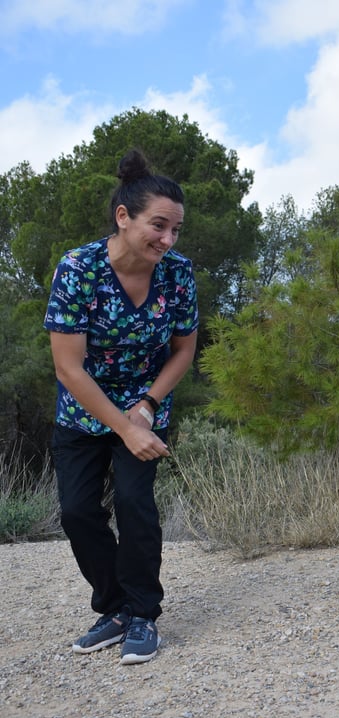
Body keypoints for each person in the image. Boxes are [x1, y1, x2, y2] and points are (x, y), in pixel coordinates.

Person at [44, 149, 198, 665]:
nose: (167, 240)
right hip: (84, 410)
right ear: (123, 217)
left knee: (135, 506)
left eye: (175, 230)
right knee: (77, 512)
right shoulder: (78, 269)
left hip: (145, 408)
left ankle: (143, 614)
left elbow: (184, 350)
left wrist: (148, 407)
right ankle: (113, 609)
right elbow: (69, 368)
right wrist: (121, 425)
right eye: (159, 226)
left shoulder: (177, 274)